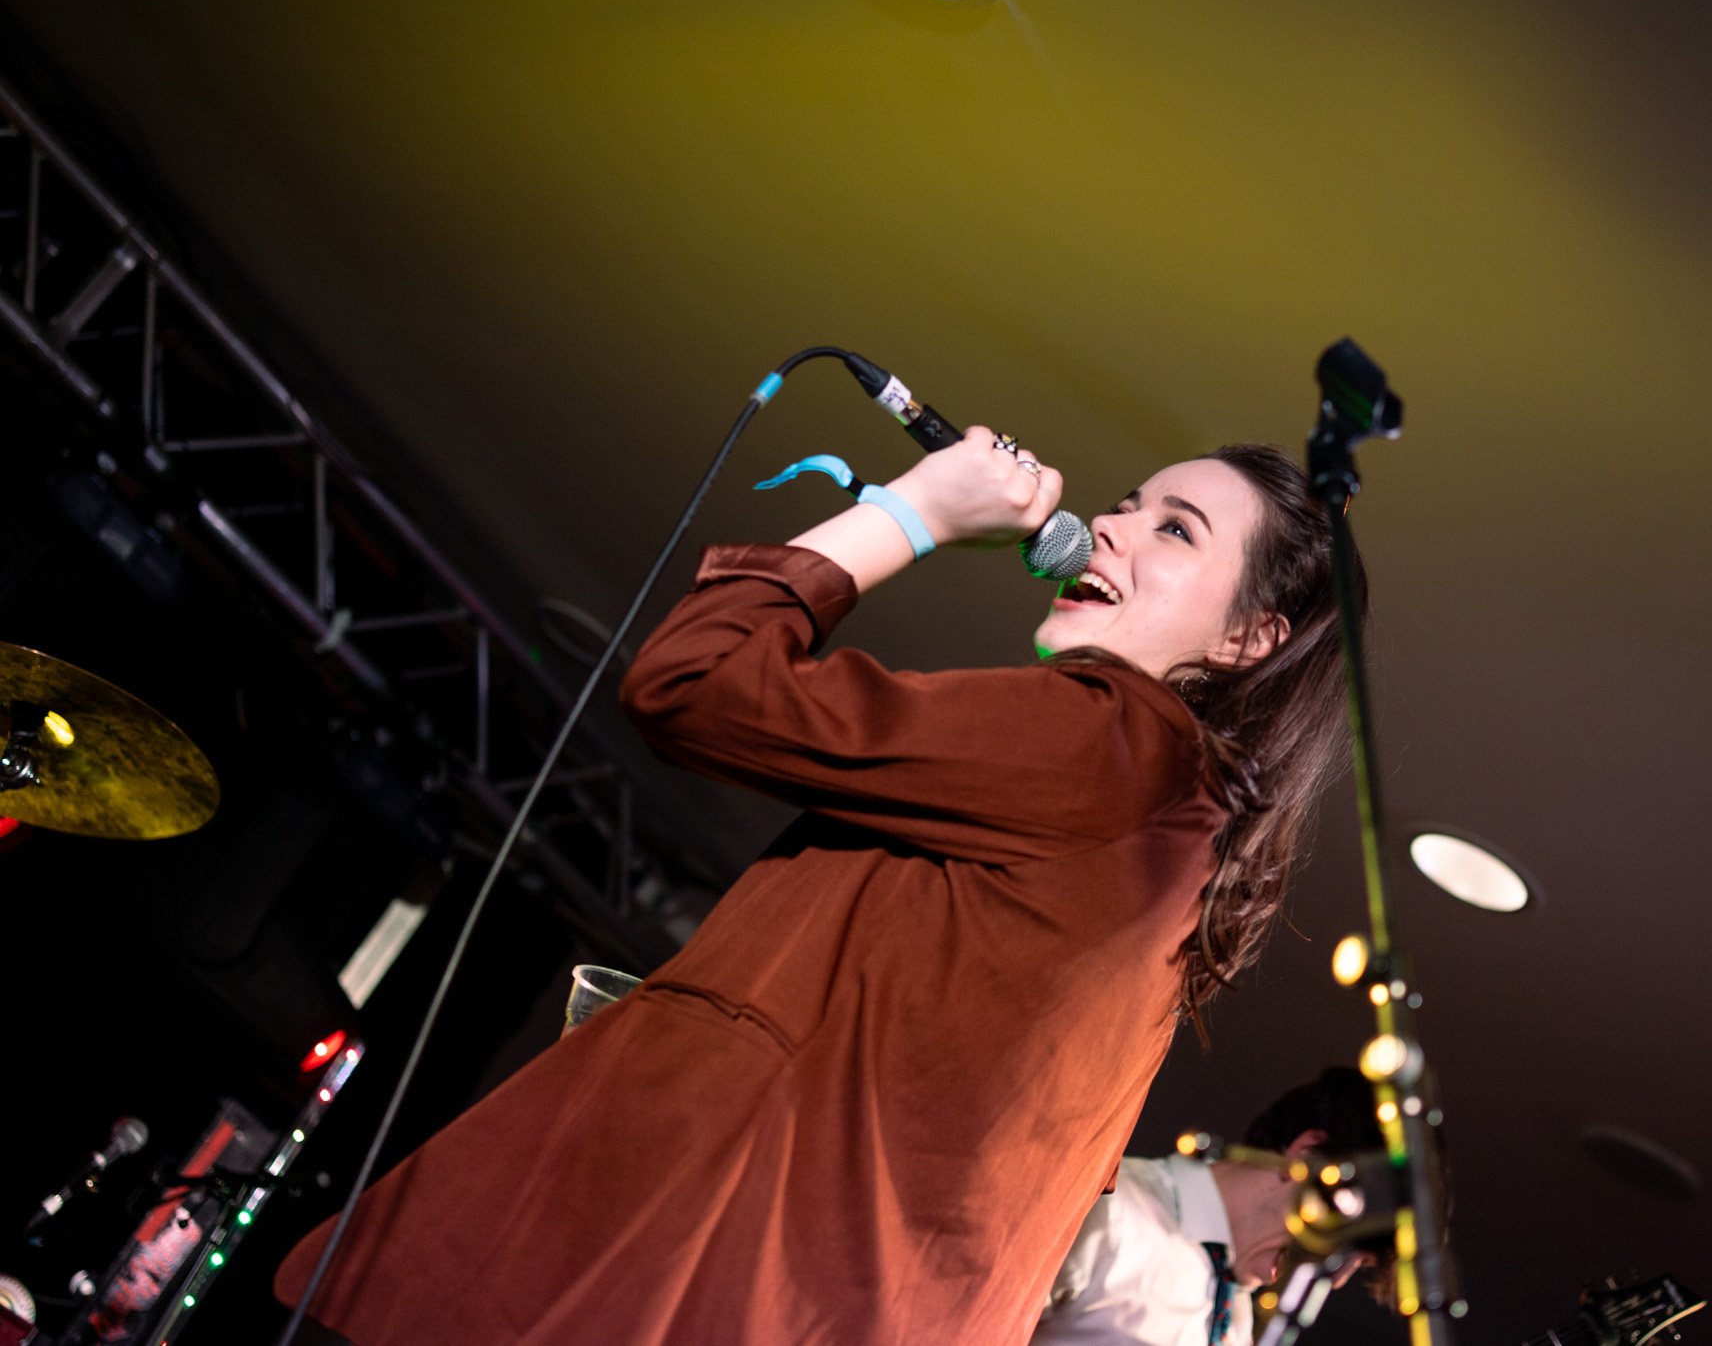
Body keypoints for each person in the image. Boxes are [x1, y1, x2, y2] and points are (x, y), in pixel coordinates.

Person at [274, 428, 1360, 1344]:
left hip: (678, 1289)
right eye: (1128, 504)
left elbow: (697, 679)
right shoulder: (1180, 851)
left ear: (1248, 638)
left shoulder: (1122, 746)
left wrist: (912, 509)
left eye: (1174, 529)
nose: (1109, 525)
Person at [1035, 1068, 1390, 1346]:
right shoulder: (1107, 1209)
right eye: (1349, 1245)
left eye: (1358, 1264)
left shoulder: (1239, 1322)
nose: (1339, 1278)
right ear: (1309, 1155)